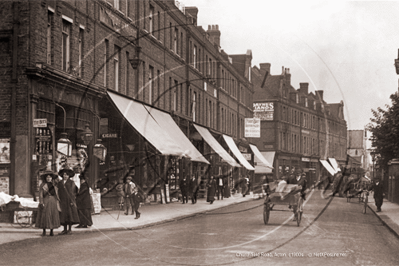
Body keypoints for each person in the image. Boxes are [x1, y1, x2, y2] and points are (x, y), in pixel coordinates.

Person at [35, 170, 61, 236]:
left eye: (50, 177)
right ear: (45, 178)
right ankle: (44, 230)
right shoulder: (42, 185)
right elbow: (40, 194)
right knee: (45, 215)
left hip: (53, 201)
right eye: (47, 177)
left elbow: (57, 194)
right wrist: (41, 202)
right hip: (45, 200)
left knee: (52, 215)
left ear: (52, 178)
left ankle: (51, 231)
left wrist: (58, 201)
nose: (48, 178)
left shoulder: (54, 185)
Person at [57, 167, 80, 235]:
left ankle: (69, 229)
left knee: (69, 215)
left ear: (69, 175)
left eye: (67, 175)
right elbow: (58, 191)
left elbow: (73, 192)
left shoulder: (71, 182)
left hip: (69, 201)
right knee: (63, 216)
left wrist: (72, 201)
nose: (65, 176)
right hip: (62, 201)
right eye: (64, 175)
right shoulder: (60, 183)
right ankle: (64, 229)